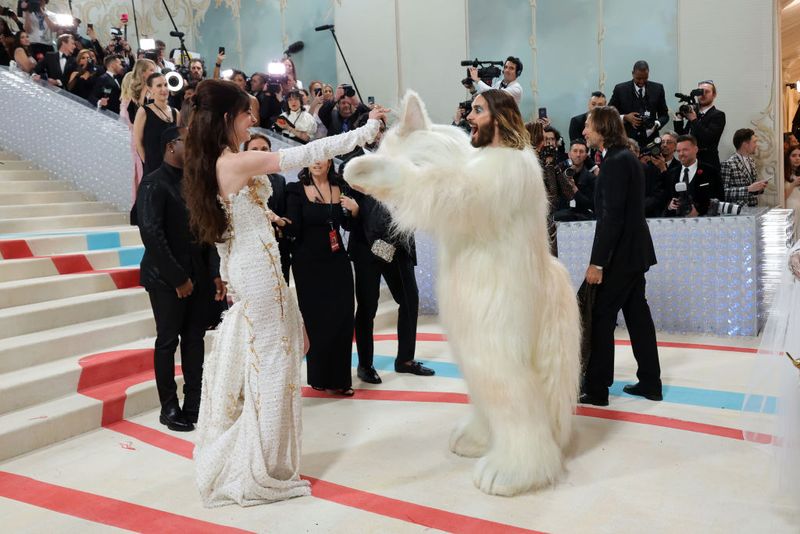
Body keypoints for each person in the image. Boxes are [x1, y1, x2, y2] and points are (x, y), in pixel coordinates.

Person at [345, 89, 580, 497]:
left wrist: (396, 181)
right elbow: (452, 184)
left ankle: (527, 454)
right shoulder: (482, 159)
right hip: (475, 285)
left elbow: (462, 199)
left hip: (501, 288)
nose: (469, 117)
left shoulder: (512, 164)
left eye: (477, 110)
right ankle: (489, 426)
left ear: (500, 117)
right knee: (479, 366)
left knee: (501, 366)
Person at [182, 79, 386, 507]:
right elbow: (302, 154)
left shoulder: (214, 164)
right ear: (226, 119)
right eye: (245, 114)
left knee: (274, 360)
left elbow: (222, 239)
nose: (251, 121)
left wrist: (230, 276)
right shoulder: (232, 164)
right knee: (273, 366)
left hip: (253, 267)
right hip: (258, 270)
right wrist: (364, 132)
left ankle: (268, 456)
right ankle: (262, 464)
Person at [136, 126, 223, 432]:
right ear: (171, 146)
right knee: (168, 340)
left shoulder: (195, 183)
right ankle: (169, 406)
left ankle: (195, 402)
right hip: (165, 277)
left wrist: (214, 273)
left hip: (197, 273)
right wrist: (177, 278)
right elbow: (151, 233)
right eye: (188, 141)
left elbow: (208, 231)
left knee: (195, 339)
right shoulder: (153, 183)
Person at [580, 105, 661, 407]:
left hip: (619, 257)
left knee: (601, 317)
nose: (584, 131)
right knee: (638, 317)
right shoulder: (625, 158)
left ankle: (597, 389)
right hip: (634, 254)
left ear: (602, 128)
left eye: (588, 125)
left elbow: (611, 218)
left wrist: (597, 262)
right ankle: (651, 382)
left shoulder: (615, 162)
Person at [344, 115, 435, 384]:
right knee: (368, 307)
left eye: (384, 128)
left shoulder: (400, 161)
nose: (381, 133)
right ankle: (365, 364)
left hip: (400, 245)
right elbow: (352, 204)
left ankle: (405, 359)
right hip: (367, 247)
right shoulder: (352, 162)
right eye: (376, 127)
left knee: (409, 301)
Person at [285, 160, 359, 396]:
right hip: (308, 264)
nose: (317, 161)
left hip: (337, 260)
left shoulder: (341, 186)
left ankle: (340, 380)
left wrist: (355, 211)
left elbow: (346, 223)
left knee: (344, 316)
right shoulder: (295, 189)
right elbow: (292, 228)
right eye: (312, 157)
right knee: (316, 320)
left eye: (323, 157)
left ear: (329, 162)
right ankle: (318, 377)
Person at [243, 133, 291, 283]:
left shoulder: (279, 180)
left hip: (277, 248)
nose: (260, 152)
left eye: (265, 149)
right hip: (251, 251)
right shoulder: (239, 181)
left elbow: (284, 215)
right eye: (255, 149)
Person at [608, 60, 669, 148]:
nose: (642, 81)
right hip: (626, 141)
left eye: (645, 78)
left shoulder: (658, 89)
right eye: (638, 78)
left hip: (651, 142)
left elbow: (664, 115)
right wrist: (625, 117)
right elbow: (609, 114)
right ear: (633, 74)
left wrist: (657, 124)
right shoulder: (620, 89)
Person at [664, 134, 723, 217]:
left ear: (696, 149)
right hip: (677, 224)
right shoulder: (671, 173)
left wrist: (700, 210)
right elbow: (664, 200)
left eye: (685, 150)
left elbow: (720, 198)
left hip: (705, 224)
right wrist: (670, 206)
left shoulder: (710, 171)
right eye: (678, 151)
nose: (681, 154)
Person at [133, 72, 178, 177]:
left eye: (165, 85)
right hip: (152, 170)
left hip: (172, 170)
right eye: (159, 86)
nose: (164, 89)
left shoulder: (176, 112)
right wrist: (148, 165)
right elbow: (138, 142)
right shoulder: (144, 111)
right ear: (150, 89)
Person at [674, 81, 726, 169]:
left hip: (708, 163)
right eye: (700, 91)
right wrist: (678, 118)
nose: (703, 94)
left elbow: (708, 137)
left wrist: (694, 120)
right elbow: (682, 138)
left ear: (714, 95)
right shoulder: (694, 113)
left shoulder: (718, 115)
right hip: (688, 162)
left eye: (707, 91)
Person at [721, 128, 767, 207]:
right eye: (754, 142)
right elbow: (723, 192)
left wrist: (759, 188)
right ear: (745, 144)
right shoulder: (728, 164)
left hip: (753, 209)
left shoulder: (751, 162)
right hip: (737, 212)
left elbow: (751, 189)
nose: (756, 145)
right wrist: (748, 188)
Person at [785, 145, 800, 239]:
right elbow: (781, 198)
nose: (797, 158)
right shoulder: (783, 174)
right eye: (794, 155)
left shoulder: (797, 172)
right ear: (788, 158)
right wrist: (793, 184)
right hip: (790, 212)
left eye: (799, 155)